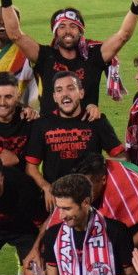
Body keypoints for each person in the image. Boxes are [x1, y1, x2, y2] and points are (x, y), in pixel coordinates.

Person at [0, 0, 138, 117]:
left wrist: (136, 6)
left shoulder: (94, 56)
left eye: (73, 26)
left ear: (81, 31)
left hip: (85, 134)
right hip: (51, 135)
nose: (67, 31)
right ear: (54, 32)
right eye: (62, 27)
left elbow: (123, 36)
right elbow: (15, 35)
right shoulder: (45, 56)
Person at [25, 72, 125, 209]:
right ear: (55, 97)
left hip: (91, 202)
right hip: (57, 200)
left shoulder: (96, 121)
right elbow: (31, 167)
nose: (65, 94)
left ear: (81, 93)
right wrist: (46, 187)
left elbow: (120, 157)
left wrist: (101, 179)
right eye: (59, 90)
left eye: (71, 88)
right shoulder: (42, 124)